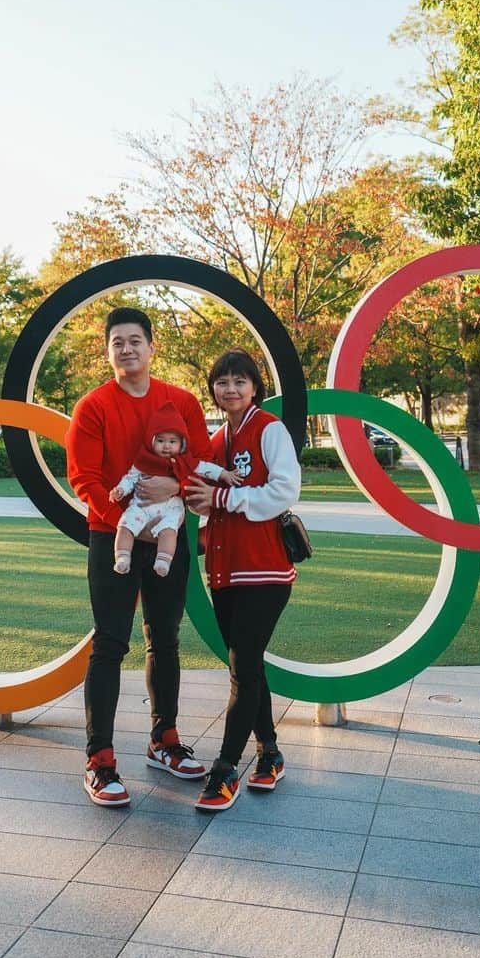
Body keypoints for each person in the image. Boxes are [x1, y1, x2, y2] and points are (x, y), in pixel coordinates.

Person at [65, 308, 210, 807]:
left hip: (169, 535)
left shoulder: (182, 401)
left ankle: (163, 740)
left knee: (165, 639)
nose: (126, 349)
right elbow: (83, 478)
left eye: (135, 341)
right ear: (108, 351)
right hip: (114, 535)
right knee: (109, 642)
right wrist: (127, 511)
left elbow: (201, 465)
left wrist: (175, 486)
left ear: (152, 348)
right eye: (117, 343)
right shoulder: (93, 406)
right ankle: (99, 759)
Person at [184, 348, 301, 812]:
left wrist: (222, 498)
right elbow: (202, 498)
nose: (229, 388)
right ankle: (269, 753)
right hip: (223, 571)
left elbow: (284, 490)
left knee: (244, 666)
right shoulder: (216, 440)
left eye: (240, 380)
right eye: (222, 381)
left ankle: (225, 767)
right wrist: (199, 500)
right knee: (246, 667)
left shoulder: (269, 429)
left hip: (265, 570)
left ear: (255, 386)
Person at [108, 402, 241, 578]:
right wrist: (120, 490)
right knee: (125, 526)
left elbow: (206, 468)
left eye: (172, 441)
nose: (166, 446)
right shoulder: (144, 460)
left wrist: (225, 474)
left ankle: (163, 561)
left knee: (169, 531)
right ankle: (122, 557)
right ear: (151, 441)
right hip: (141, 506)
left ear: (182, 443)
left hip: (170, 508)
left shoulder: (186, 461)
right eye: (161, 441)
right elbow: (130, 478)